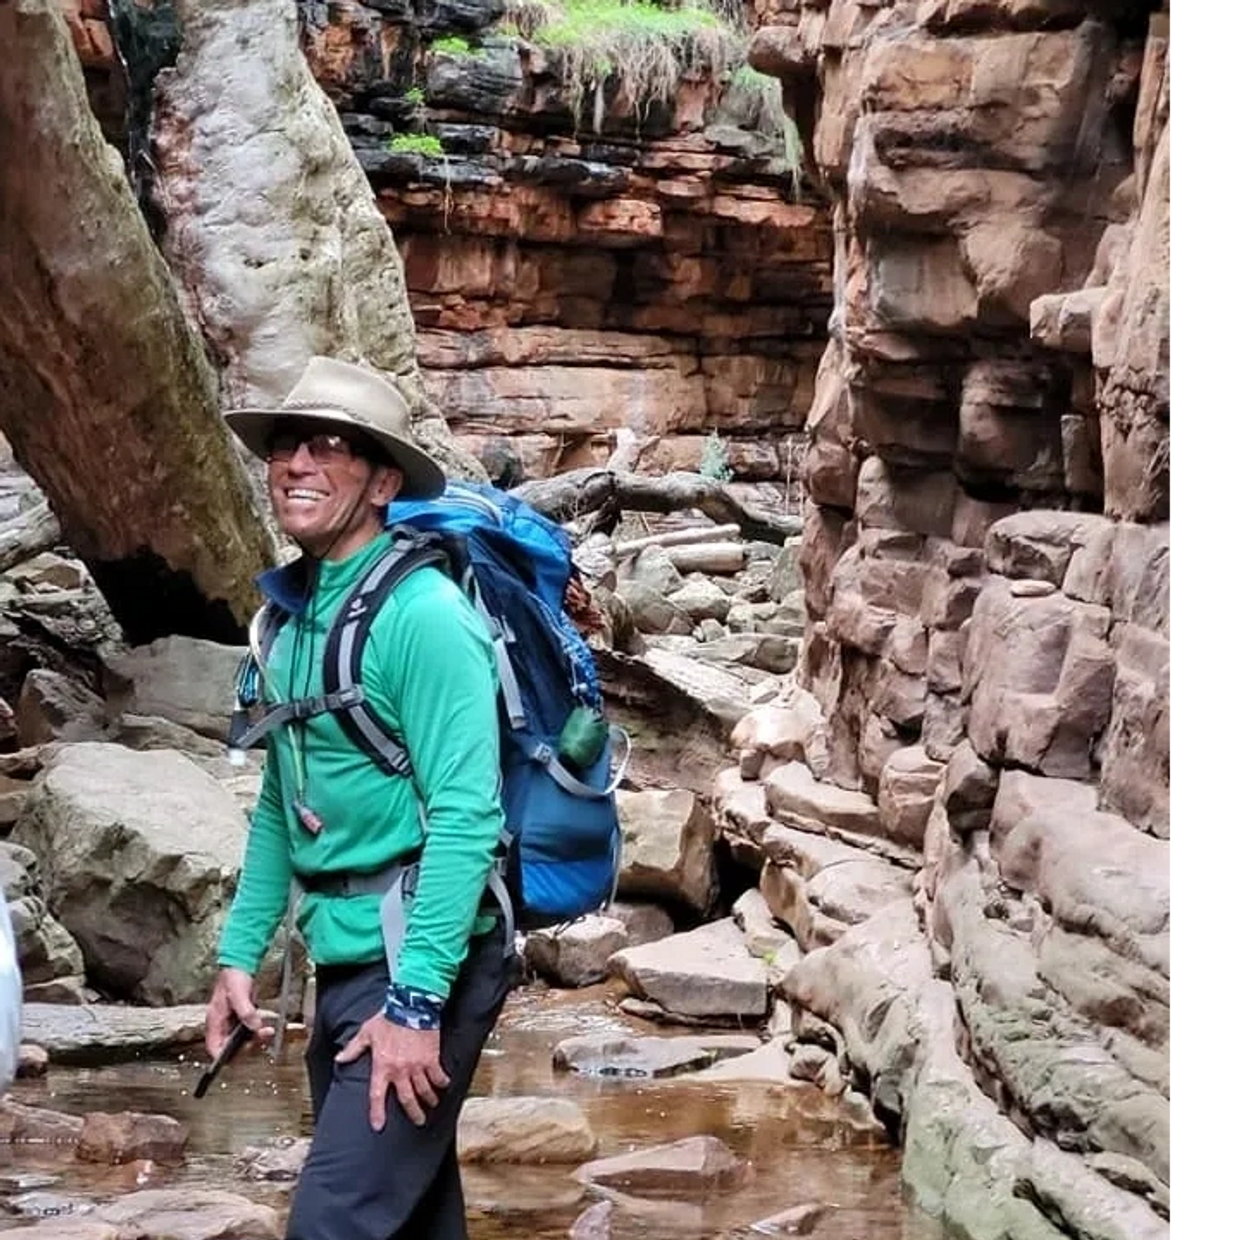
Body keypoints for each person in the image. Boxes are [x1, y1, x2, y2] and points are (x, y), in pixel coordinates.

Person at [206, 355, 511, 1240]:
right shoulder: (290, 620)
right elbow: (281, 797)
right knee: (414, 1222)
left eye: (330, 446)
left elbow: (468, 818)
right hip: (341, 961)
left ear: (383, 482)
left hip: (423, 961)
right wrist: (238, 957)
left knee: (331, 1225)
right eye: (287, 445)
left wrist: (417, 1006)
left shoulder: (424, 618)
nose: (298, 462)